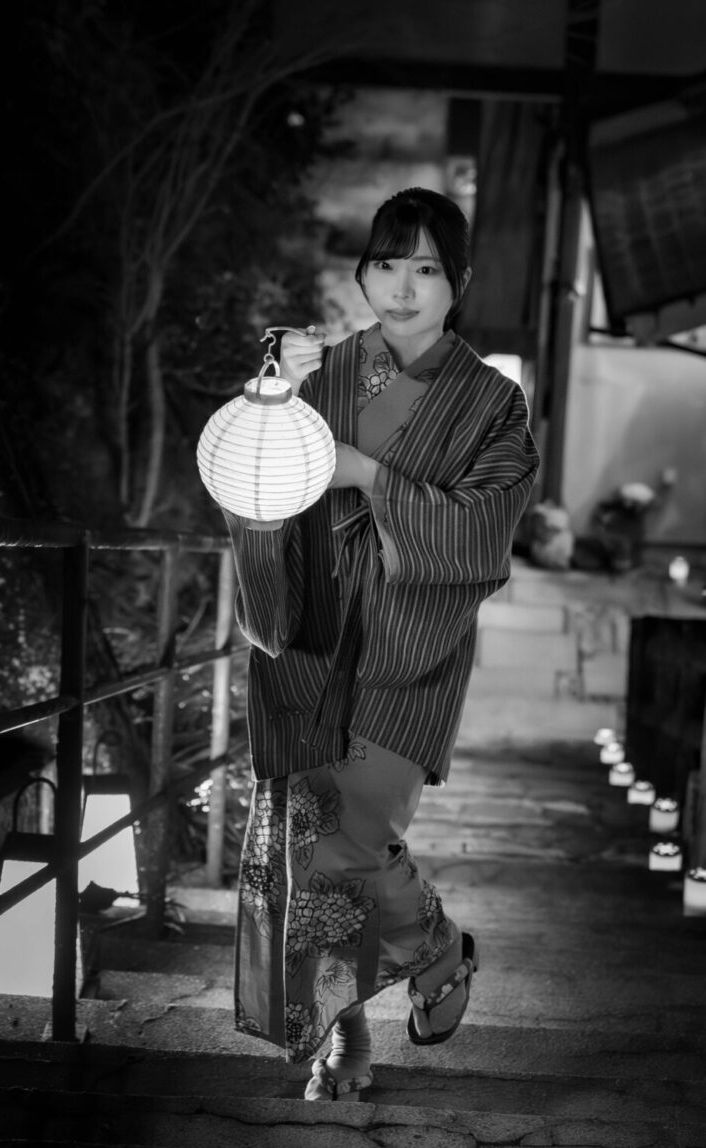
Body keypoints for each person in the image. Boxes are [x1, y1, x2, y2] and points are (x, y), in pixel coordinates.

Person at [221, 186, 539, 1100]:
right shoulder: (317, 369)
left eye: (427, 268)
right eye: (387, 264)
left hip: (409, 646)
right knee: (305, 847)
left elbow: (483, 526)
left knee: (351, 839)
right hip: (309, 633)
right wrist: (273, 391)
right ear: (363, 274)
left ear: (459, 283)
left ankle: (433, 947)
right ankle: (347, 1038)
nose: (403, 287)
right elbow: (253, 472)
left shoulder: (493, 402)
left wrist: (366, 473)